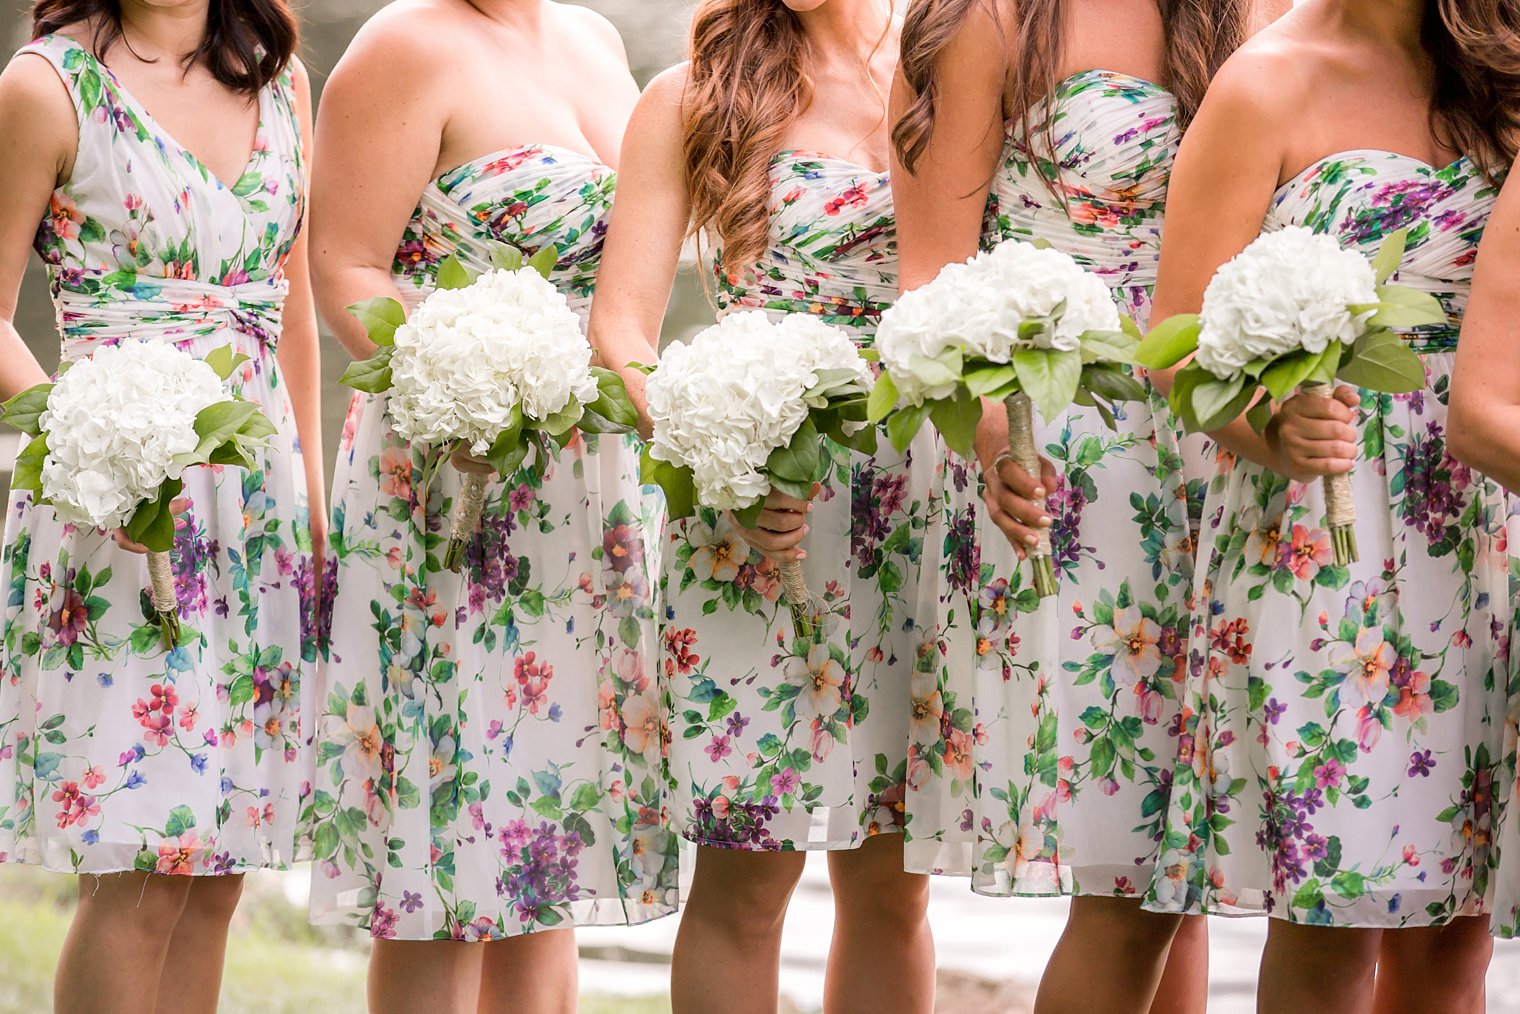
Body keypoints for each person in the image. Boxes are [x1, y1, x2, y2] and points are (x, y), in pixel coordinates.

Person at [888, 1, 1267, 1009]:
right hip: (1078, 458)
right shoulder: (989, 20)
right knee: (1135, 872)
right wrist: (992, 440)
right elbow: (929, 280)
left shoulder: (1243, 16)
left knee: (1182, 864)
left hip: (1234, 452)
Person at [1143, 0, 1518, 1009]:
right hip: (1320, 525)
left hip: (1485, 531)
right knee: (1329, 916)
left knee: (1457, 935)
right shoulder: (1265, 81)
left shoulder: (1504, 68)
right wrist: (1268, 430)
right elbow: (1173, 339)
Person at [307, 2, 676, 1012]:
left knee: (543, 841)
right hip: (447, 478)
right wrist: (456, 385)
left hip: (577, 484)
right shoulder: (401, 46)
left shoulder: (596, 41)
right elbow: (343, 267)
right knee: (443, 844)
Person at [587, 1, 936, 1011]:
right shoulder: (690, 97)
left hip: (914, 503)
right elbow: (620, 329)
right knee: (747, 879)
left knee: (892, 885)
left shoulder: (949, 74)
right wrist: (723, 462)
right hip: (751, 511)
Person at [0, 0, 320, 1011]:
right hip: (122, 514)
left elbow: (290, 302)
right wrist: (90, 434)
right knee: (140, 872)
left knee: (217, 876)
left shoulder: (278, 76)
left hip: (257, 513)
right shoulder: (45, 87)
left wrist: (306, 495)